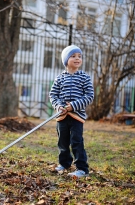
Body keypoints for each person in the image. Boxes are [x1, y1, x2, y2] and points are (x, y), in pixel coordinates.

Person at [49, 45, 94, 178]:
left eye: (79, 56)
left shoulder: (84, 77)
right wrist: (58, 107)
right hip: (62, 116)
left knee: (76, 141)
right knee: (62, 141)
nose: (77, 58)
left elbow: (89, 96)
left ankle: (82, 168)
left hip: (76, 116)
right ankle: (64, 163)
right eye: (73, 56)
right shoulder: (60, 78)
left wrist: (73, 106)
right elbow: (53, 95)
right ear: (66, 60)